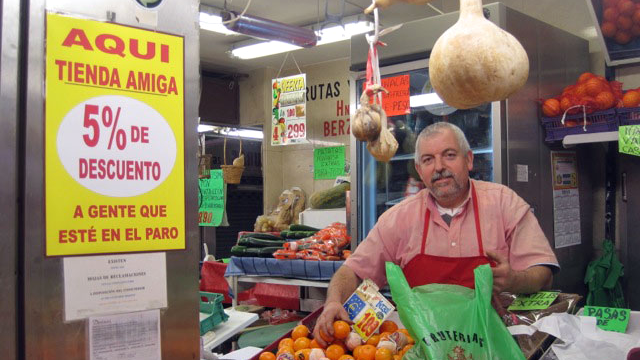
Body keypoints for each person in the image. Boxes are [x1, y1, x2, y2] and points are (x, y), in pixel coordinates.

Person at [313, 122, 559, 345]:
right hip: (424, 345)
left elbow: (543, 272)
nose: (439, 167)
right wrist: (334, 301)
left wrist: (515, 280)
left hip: (494, 342)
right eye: (429, 160)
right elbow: (353, 271)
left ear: (469, 160)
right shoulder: (399, 218)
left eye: (449, 156)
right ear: (420, 170)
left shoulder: (504, 203)